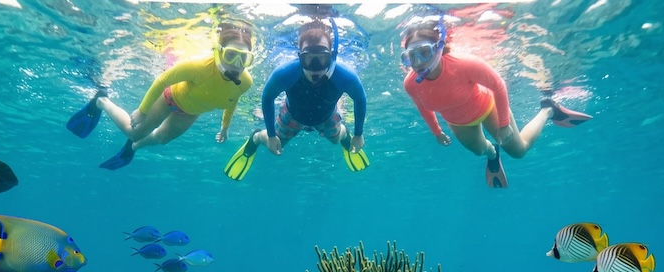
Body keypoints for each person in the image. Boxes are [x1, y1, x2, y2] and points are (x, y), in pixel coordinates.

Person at [400, 16, 592, 188]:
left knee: (519, 151)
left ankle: (548, 110)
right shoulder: (411, 84)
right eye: (410, 56)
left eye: (424, 52)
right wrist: (437, 132)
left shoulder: (464, 64)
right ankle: (493, 155)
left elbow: (498, 85)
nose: (418, 63)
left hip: (487, 107)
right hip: (458, 121)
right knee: (480, 151)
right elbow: (423, 107)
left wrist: (504, 124)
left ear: (439, 47)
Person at [66, 21, 255, 170]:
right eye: (231, 55)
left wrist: (225, 127)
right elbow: (163, 79)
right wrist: (142, 110)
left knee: (163, 139)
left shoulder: (245, 82)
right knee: (134, 132)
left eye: (244, 57)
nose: (236, 64)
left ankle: (131, 148)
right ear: (218, 53)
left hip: (190, 113)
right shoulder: (198, 66)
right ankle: (102, 101)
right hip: (170, 99)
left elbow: (232, 99)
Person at [224, 19, 368, 181]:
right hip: (293, 114)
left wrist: (358, 134)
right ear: (300, 57)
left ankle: (345, 134)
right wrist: (271, 136)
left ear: (332, 57)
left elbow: (360, 99)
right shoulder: (286, 73)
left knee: (335, 140)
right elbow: (267, 97)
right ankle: (257, 137)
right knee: (278, 145)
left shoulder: (345, 75)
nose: (315, 67)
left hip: (327, 115)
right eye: (308, 59)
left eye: (322, 59)